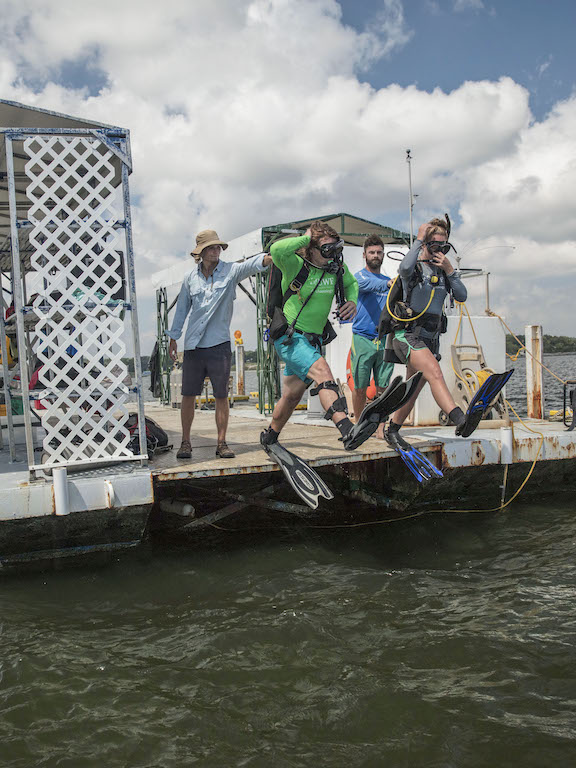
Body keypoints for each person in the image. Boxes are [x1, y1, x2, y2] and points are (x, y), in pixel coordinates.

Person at [260, 221, 419, 508]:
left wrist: (353, 302)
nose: (334, 253)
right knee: (323, 372)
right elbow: (276, 248)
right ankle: (347, 430)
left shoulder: (336, 268)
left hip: (313, 341)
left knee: (292, 394)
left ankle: (270, 436)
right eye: (327, 248)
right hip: (291, 339)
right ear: (311, 247)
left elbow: (352, 284)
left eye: (337, 248)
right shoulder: (294, 263)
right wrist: (307, 238)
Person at [167, 229, 272, 460]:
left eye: (218, 247)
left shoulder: (230, 270)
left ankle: (222, 443)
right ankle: (185, 442)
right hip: (193, 346)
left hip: (220, 345)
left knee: (222, 395)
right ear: (201, 252)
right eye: (212, 247)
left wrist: (272, 257)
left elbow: (253, 265)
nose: (217, 250)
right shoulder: (189, 278)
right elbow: (182, 310)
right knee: (188, 395)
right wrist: (173, 339)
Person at [384, 217, 469, 442]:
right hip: (408, 335)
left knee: (413, 388)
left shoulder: (443, 272)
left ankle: (392, 429)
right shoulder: (414, 269)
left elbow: (461, 296)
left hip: (430, 339)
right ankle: (460, 419)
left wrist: (450, 271)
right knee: (434, 372)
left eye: (444, 247)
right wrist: (419, 239)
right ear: (425, 246)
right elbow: (403, 267)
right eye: (434, 246)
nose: (439, 252)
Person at [350, 235, 395, 435]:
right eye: (371, 252)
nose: (375, 256)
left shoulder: (390, 282)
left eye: (378, 252)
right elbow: (367, 286)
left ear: (383, 254)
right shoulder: (357, 278)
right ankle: (359, 425)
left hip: (385, 339)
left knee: (384, 388)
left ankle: (380, 428)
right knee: (359, 387)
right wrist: (390, 285)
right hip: (362, 338)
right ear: (364, 255)